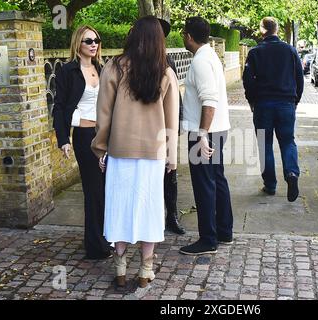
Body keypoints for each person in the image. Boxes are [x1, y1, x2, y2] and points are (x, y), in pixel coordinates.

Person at [91, 16, 179, 289]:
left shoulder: (113, 67)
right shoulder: (165, 72)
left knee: (119, 207)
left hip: (120, 149)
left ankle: (119, 265)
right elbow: (171, 120)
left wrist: (100, 148)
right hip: (153, 152)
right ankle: (145, 268)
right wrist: (171, 155)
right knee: (149, 208)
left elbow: (103, 115)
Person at [52, 25, 112, 260]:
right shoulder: (68, 71)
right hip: (85, 137)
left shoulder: (102, 68)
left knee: (107, 188)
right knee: (93, 189)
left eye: (96, 39)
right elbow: (59, 106)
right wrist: (63, 138)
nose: (94, 44)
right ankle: (95, 246)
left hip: (106, 136)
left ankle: (106, 236)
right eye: (88, 40)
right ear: (78, 43)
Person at [179, 16, 233, 255]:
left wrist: (202, 135)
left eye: (183, 34)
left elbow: (208, 101)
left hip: (205, 132)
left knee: (204, 185)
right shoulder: (211, 55)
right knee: (217, 180)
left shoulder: (200, 61)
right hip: (217, 130)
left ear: (189, 36)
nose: (183, 37)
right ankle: (224, 232)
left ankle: (208, 239)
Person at [242, 17, 304, 202]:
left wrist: (251, 100)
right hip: (286, 104)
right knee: (287, 142)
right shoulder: (290, 50)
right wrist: (295, 101)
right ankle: (292, 173)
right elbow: (299, 78)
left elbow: (248, 80)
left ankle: (270, 184)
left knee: (264, 144)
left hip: (263, 105)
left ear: (262, 30)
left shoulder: (255, 52)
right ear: (276, 30)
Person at [158, 18, 186, 235]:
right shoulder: (134, 61)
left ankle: (172, 215)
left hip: (168, 126)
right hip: (146, 129)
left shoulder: (168, 61)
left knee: (171, 171)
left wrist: (179, 121)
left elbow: (175, 94)